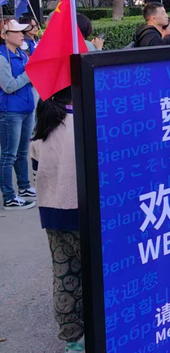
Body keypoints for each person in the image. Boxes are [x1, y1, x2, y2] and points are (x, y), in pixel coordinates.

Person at [30, 87, 85, 352]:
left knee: (65, 275)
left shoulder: (43, 126)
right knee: (94, 276)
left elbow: (36, 170)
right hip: (82, 213)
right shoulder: (86, 122)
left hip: (51, 213)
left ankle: (72, 339)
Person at [0, 19, 37, 210]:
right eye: (17, 32)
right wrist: (29, 74)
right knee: (8, 155)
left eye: (22, 31)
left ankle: (23, 188)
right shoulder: (2, 56)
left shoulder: (21, 53)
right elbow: (8, 86)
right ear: (4, 35)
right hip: (10, 112)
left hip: (25, 109)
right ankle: (9, 197)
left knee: (22, 152)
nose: (22, 34)